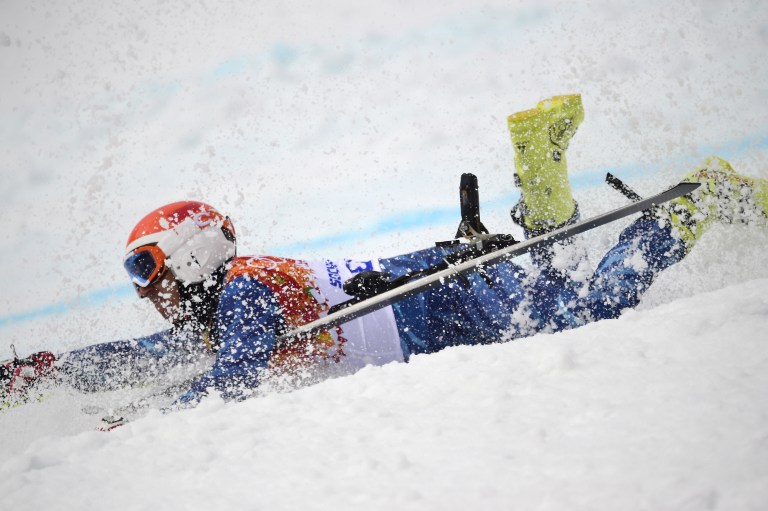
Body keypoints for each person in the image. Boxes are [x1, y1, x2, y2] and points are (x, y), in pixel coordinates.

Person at [3, 94, 767, 410]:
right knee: (554, 281)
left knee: (581, 313)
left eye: (152, 271)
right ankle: (537, 160)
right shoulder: (234, 298)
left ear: (191, 256)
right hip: (445, 289)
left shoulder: (241, 296)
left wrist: (135, 421)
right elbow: (151, 356)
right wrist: (48, 373)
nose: (148, 291)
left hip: (447, 296)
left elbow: (228, 380)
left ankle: (693, 204)